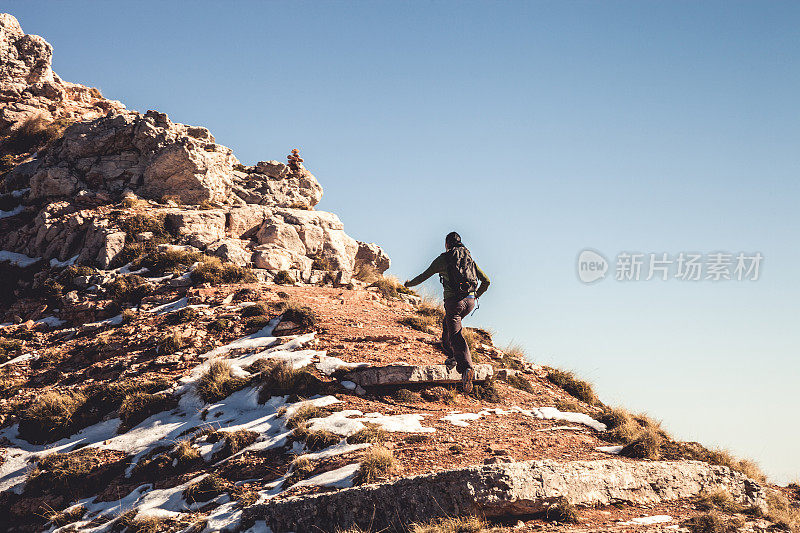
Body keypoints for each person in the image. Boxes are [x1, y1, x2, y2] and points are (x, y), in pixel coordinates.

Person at [404, 232, 490, 393]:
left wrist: (408, 285)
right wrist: (476, 294)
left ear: (447, 244)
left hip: (454, 303)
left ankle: (466, 368)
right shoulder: (469, 258)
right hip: (470, 302)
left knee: (456, 333)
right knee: (448, 327)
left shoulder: (443, 259)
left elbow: (424, 275)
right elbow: (487, 280)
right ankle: (452, 357)